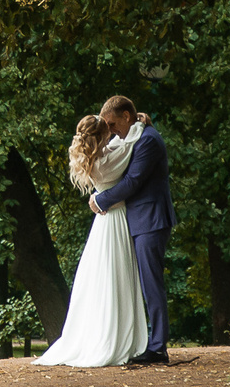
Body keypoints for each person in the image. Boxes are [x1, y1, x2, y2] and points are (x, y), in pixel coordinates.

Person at [33, 110, 148, 367]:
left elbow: (117, 144)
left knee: (104, 275)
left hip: (104, 221)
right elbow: (128, 143)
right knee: (116, 274)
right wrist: (138, 123)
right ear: (102, 136)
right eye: (108, 129)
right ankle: (116, 337)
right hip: (114, 219)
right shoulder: (109, 160)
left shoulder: (96, 158)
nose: (113, 132)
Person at [88, 93, 180, 367]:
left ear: (126, 116)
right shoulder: (137, 134)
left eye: (113, 124)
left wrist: (100, 200)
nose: (111, 130)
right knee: (142, 283)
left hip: (151, 219)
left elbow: (133, 181)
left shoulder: (148, 141)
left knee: (151, 283)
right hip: (139, 220)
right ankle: (142, 343)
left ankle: (158, 347)